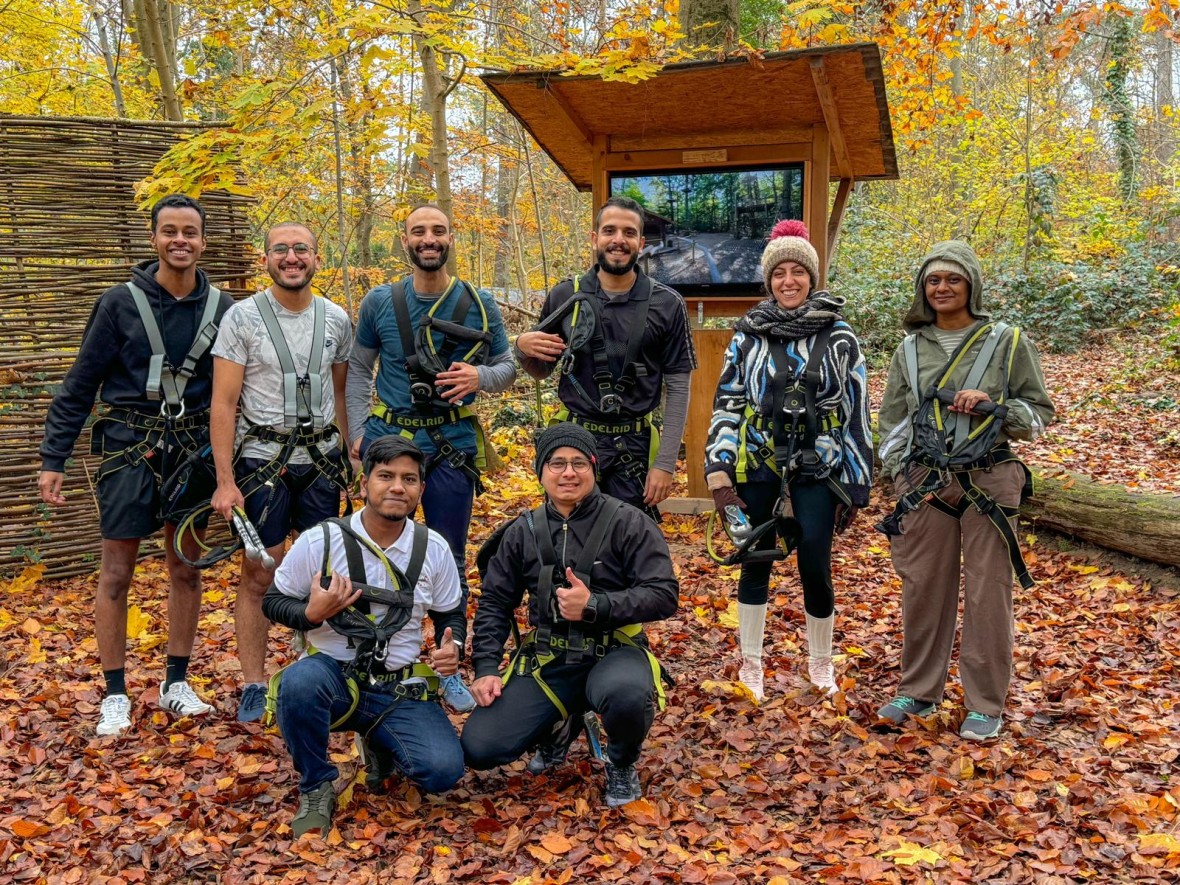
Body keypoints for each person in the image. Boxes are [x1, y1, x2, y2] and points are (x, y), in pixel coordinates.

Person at [38, 194, 235, 736]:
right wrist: (54, 458)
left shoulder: (223, 309)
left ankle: (175, 681)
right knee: (117, 571)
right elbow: (80, 385)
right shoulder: (119, 304)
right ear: (153, 238)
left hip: (193, 448)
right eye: (169, 231)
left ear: (202, 240)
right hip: (130, 446)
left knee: (184, 567)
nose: (180, 241)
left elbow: (239, 388)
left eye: (189, 232)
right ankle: (116, 693)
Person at [875, 241, 1054, 741]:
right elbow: (892, 420)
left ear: (971, 284)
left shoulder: (1008, 342)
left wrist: (996, 407)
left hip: (991, 479)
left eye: (953, 279)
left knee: (988, 592)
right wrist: (898, 475)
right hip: (924, 484)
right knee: (923, 586)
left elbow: (1039, 413)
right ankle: (919, 691)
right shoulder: (908, 349)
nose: (943, 288)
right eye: (934, 281)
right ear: (922, 289)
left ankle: (985, 703)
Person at [346, 204, 515, 712]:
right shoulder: (380, 302)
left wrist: (477, 379)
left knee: (449, 559)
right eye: (419, 231)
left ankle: (449, 665)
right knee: (374, 555)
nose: (429, 239)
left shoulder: (479, 303)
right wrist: (357, 433)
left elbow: (507, 365)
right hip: (389, 443)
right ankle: (371, 662)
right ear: (405, 239)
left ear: (451, 237)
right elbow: (358, 367)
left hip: (451, 448)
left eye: (438, 230)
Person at [461, 423, 678, 808]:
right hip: (550, 657)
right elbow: (495, 601)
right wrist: (486, 667)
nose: (568, 472)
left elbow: (663, 595)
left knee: (626, 695)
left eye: (579, 463)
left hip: (616, 651)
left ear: (594, 469)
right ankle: (561, 722)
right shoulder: (521, 531)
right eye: (557, 462)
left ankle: (621, 762)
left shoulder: (630, 521)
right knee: (481, 747)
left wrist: (596, 605)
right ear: (540, 471)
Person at [262, 436, 466, 837]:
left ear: (421, 490)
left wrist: (452, 643)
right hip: (331, 678)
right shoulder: (321, 540)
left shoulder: (434, 548)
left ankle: (380, 744)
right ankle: (317, 785)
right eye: (385, 476)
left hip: (397, 685)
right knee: (298, 683)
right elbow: (272, 600)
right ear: (363, 485)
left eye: (409, 479)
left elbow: (450, 613)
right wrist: (309, 614)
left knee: (443, 772)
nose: (397, 487)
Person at [703, 220, 872, 702]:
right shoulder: (748, 337)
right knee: (755, 561)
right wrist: (719, 471)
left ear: (812, 278)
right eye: (780, 273)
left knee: (815, 562)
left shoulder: (841, 338)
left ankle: (821, 664)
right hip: (758, 465)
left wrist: (858, 483)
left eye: (799, 271)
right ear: (768, 280)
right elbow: (728, 402)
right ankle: (750, 664)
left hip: (819, 470)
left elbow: (857, 411)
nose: (789, 281)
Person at [210, 222, 353, 722]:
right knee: (259, 571)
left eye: (301, 250)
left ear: (317, 257)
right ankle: (253, 681)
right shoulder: (243, 318)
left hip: (321, 461)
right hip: (262, 462)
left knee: (323, 574)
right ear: (265, 258)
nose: (291, 258)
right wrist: (226, 480)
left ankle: (312, 674)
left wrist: (351, 454)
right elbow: (224, 403)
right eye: (281, 250)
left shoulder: (335, 319)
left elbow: (340, 395)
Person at [514, 196, 696, 519]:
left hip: (634, 449)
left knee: (631, 548)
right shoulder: (565, 296)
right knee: (568, 543)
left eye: (628, 233)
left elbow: (679, 388)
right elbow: (540, 369)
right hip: (574, 445)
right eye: (609, 230)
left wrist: (665, 464)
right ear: (594, 238)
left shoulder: (668, 304)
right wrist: (521, 347)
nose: (618, 240)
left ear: (641, 243)